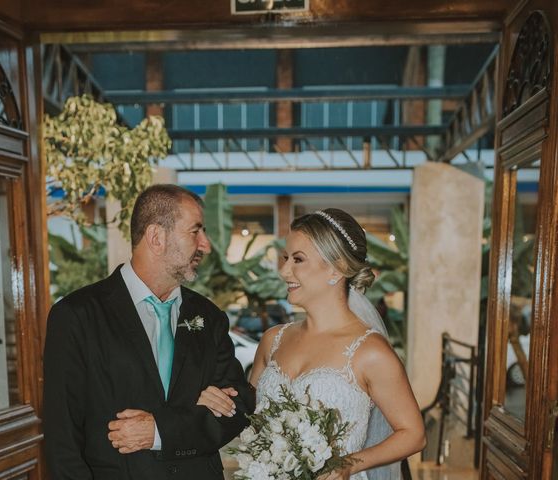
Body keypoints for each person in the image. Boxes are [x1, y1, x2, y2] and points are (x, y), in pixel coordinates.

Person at [43, 184, 255, 480]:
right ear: (157, 237)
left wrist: (159, 431)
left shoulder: (209, 317)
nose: (205, 244)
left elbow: (238, 407)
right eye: (195, 232)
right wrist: (195, 414)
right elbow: (61, 439)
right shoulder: (76, 316)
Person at [198, 208, 425, 479]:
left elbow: (413, 434)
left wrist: (350, 463)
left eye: (298, 259)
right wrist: (215, 398)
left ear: (336, 267)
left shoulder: (370, 352)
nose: (284, 271)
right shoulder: (273, 340)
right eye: (285, 258)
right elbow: (248, 415)